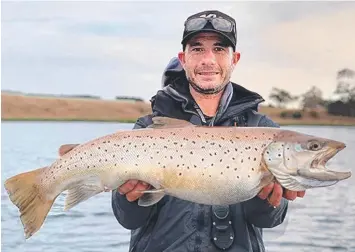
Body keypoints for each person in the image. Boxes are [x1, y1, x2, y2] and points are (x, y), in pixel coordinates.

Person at [60, 9, 306, 252]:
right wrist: (129, 198)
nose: (208, 59)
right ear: (183, 59)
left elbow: (269, 221)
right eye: (197, 48)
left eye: (219, 49)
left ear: (235, 59)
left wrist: (266, 200)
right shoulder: (148, 128)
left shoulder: (264, 130)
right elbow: (128, 220)